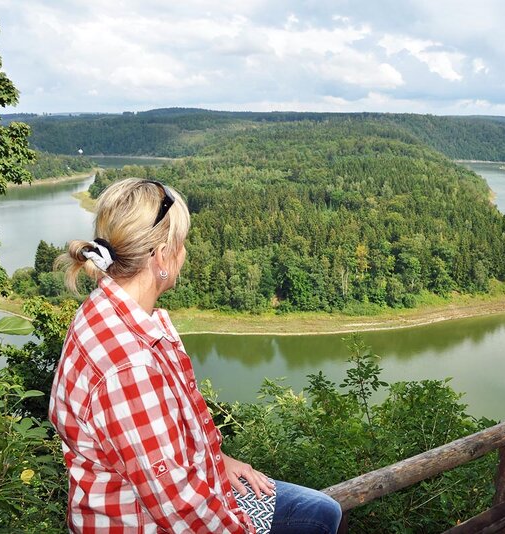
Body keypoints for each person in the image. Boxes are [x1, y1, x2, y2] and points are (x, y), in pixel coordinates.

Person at [49, 178, 342, 533]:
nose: (185, 254)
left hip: (182, 491)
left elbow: (159, 446)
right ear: (160, 255)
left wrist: (216, 459)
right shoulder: (130, 368)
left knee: (321, 510)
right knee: (318, 518)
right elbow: (184, 513)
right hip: (146, 522)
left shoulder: (109, 311)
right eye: (182, 243)